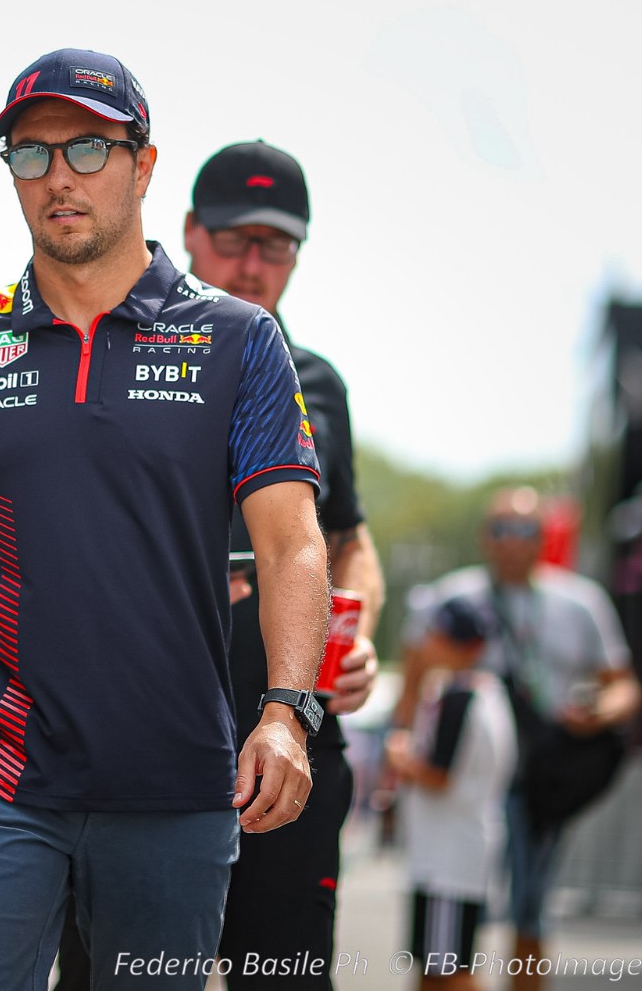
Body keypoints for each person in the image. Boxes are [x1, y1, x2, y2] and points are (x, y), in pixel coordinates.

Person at [0, 48, 329, 991]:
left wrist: (287, 712)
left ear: (144, 165)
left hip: (174, 783)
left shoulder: (240, 340)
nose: (58, 179)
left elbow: (292, 544)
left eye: (88, 148)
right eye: (30, 156)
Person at [189, 140, 384, 988]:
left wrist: (360, 631)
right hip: (150, 742)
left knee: (284, 978)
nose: (254, 263)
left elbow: (350, 538)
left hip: (291, 739)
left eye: (276, 244)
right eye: (235, 238)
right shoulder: (128, 364)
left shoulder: (318, 383)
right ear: (192, 233)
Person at [397, 487, 641, 991]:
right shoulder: (451, 597)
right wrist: (400, 749)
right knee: (451, 908)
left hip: (540, 775)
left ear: (542, 538)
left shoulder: (581, 602)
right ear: (485, 537)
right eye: (501, 528)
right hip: (466, 779)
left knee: (529, 907)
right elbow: (414, 675)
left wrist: (596, 715)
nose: (512, 541)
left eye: (525, 529)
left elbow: (624, 684)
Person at [386, 597, 516, 991]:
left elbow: (439, 777)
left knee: (446, 973)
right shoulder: (486, 690)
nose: (425, 643)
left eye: (436, 635)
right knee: (437, 967)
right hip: (457, 852)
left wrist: (400, 757)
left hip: (448, 859)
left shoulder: (460, 696)